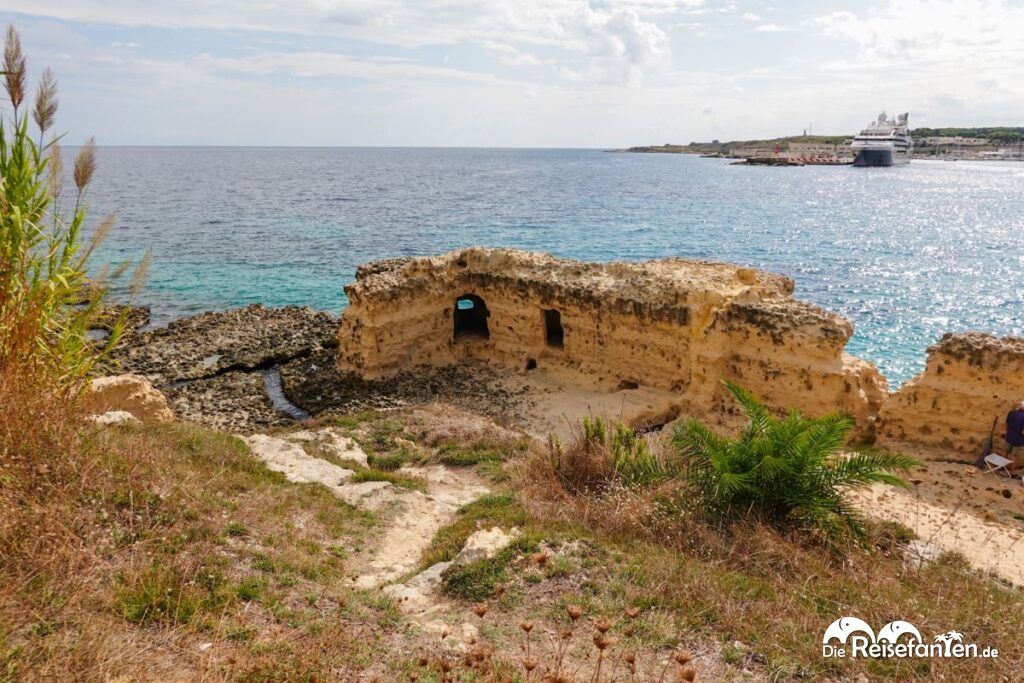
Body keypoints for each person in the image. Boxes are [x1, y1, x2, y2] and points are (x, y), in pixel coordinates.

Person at [1005, 401, 1024, 474]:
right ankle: (1012, 472)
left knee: (1005, 452)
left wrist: (1007, 434)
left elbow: (1007, 424)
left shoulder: (1011, 412)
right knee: (1014, 456)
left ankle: (1000, 467)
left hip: (1009, 436)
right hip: (1018, 440)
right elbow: (1023, 431)